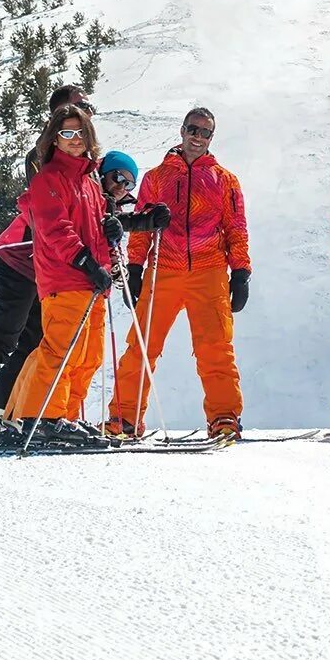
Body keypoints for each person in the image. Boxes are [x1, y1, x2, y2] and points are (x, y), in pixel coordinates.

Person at [0, 83, 94, 440]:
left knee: (36, 341)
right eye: (79, 108)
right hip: (17, 257)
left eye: (88, 109)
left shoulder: (83, 164)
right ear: (58, 116)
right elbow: (52, 213)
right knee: (1, 338)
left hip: (46, 267)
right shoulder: (45, 158)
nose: (86, 114)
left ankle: (7, 411)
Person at [106, 107, 251, 440]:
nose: (197, 137)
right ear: (182, 130)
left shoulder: (225, 180)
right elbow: (141, 226)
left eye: (205, 132)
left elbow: (236, 227)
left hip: (210, 271)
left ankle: (224, 418)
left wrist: (240, 272)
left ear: (212, 138)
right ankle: (125, 420)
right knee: (141, 346)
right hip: (164, 272)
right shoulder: (156, 177)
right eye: (192, 129)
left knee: (216, 349)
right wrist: (135, 267)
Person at [1, 103, 117, 445]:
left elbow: (91, 228)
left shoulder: (89, 182)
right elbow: (56, 229)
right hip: (66, 278)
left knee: (89, 355)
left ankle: (66, 416)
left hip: (94, 281)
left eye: (80, 133)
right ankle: (45, 418)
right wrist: (86, 262)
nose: (74, 140)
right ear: (54, 138)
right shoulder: (48, 179)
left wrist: (109, 232)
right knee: (61, 349)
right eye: (66, 133)